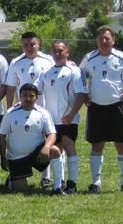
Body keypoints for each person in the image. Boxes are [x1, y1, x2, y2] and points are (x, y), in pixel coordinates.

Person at [70, 26, 123, 193]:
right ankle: (96, 183)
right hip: (95, 108)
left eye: (107, 38)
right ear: (96, 41)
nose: (104, 41)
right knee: (97, 145)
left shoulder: (122, 57)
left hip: (117, 107)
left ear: (113, 40)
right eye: (100, 39)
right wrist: (85, 94)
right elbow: (79, 74)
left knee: (121, 144)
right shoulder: (90, 58)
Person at [34, 40, 87, 194]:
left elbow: (81, 94)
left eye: (60, 51)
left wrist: (71, 114)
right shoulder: (46, 73)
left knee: (69, 146)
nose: (57, 54)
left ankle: (72, 183)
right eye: (55, 51)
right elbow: (34, 90)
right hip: (52, 121)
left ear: (67, 52)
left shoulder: (74, 71)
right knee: (55, 150)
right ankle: (60, 182)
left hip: (68, 119)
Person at [0, 83, 63, 194]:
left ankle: (58, 187)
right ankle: (12, 179)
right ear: (20, 96)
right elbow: (2, 137)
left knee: (55, 151)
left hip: (38, 155)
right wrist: (4, 159)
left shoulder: (43, 113)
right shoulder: (10, 113)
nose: (28, 98)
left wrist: (47, 146)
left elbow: (52, 134)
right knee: (19, 189)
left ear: (36, 97)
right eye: (24, 95)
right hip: (17, 157)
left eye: (31, 96)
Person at [5, 32, 54, 108]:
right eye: (25, 45)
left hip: (43, 108)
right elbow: (11, 87)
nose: (29, 48)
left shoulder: (49, 60)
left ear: (38, 43)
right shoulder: (15, 62)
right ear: (22, 45)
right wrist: (9, 108)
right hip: (22, 108)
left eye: (32, 44)